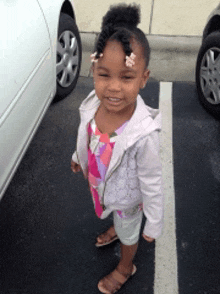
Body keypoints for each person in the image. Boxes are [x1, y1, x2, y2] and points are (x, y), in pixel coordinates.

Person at [71, 3, 164, 294]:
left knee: (128, 228)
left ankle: (126, 267)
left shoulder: (142, 135)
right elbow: (87, 135)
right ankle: (118, 226)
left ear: (143, 78)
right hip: (102, 185)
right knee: (114, 212)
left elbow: (152, 180)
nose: (113, 87)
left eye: (126, 77)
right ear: (93, 69)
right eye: (104, 75)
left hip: (129, 200)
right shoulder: (91, 104)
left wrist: (155, 223)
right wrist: (78, 156)